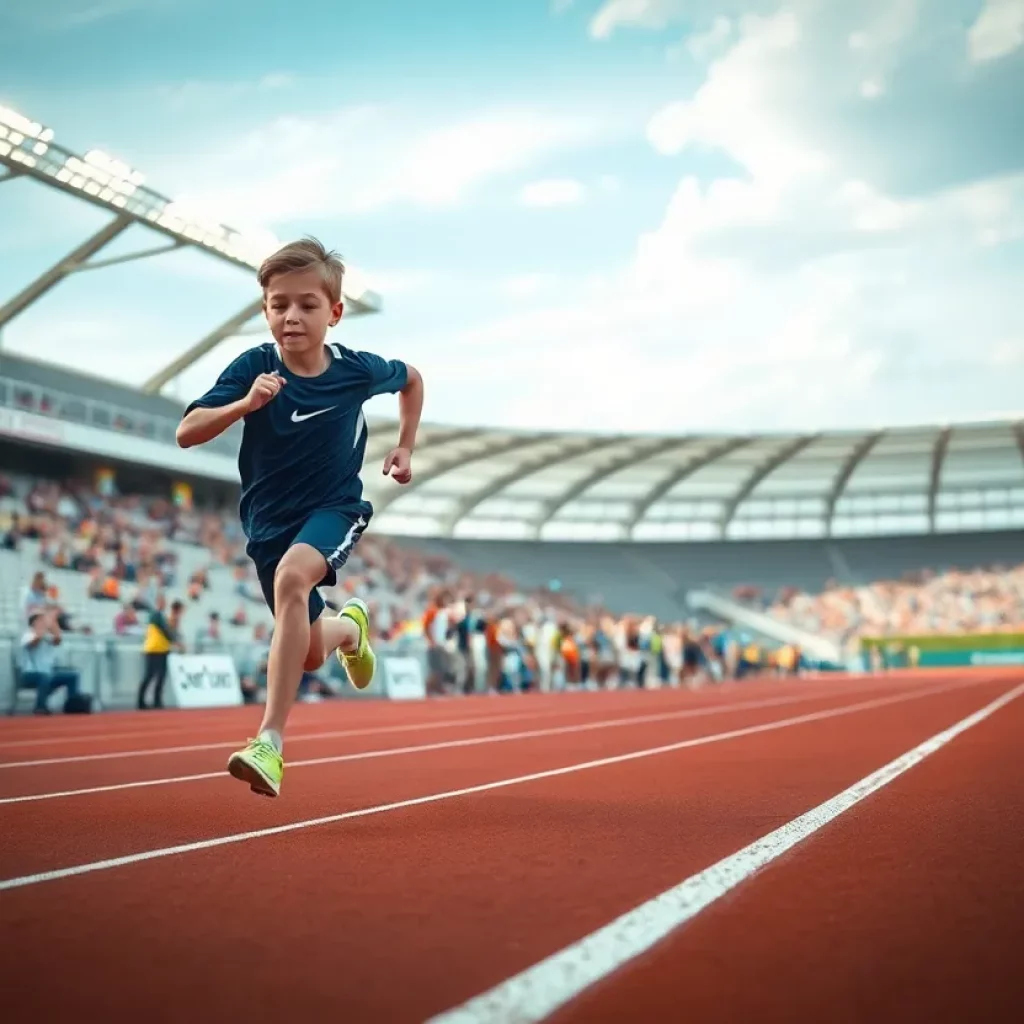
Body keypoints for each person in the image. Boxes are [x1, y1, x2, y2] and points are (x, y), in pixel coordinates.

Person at [176, 236, 423, 797]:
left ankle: (270, 741)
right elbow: (186, 432)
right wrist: (245, 405)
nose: (291, 316)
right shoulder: (253, 368)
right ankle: (348, 628)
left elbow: (412, 379)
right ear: (265, 310)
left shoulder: (357, 371)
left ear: (334, 312)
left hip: (332, 508)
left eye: (307, 304)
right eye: (278, 304)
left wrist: (406, 446)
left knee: (293, 578)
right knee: (311, 653)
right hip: (266, 524)